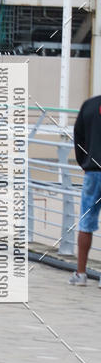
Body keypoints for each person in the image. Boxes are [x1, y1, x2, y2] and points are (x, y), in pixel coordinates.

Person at [69, 92, 101, 286]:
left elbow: (78, 136)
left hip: (92, 171)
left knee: (86, 223)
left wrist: (84, 162)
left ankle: (81, 274)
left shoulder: (89, 105)